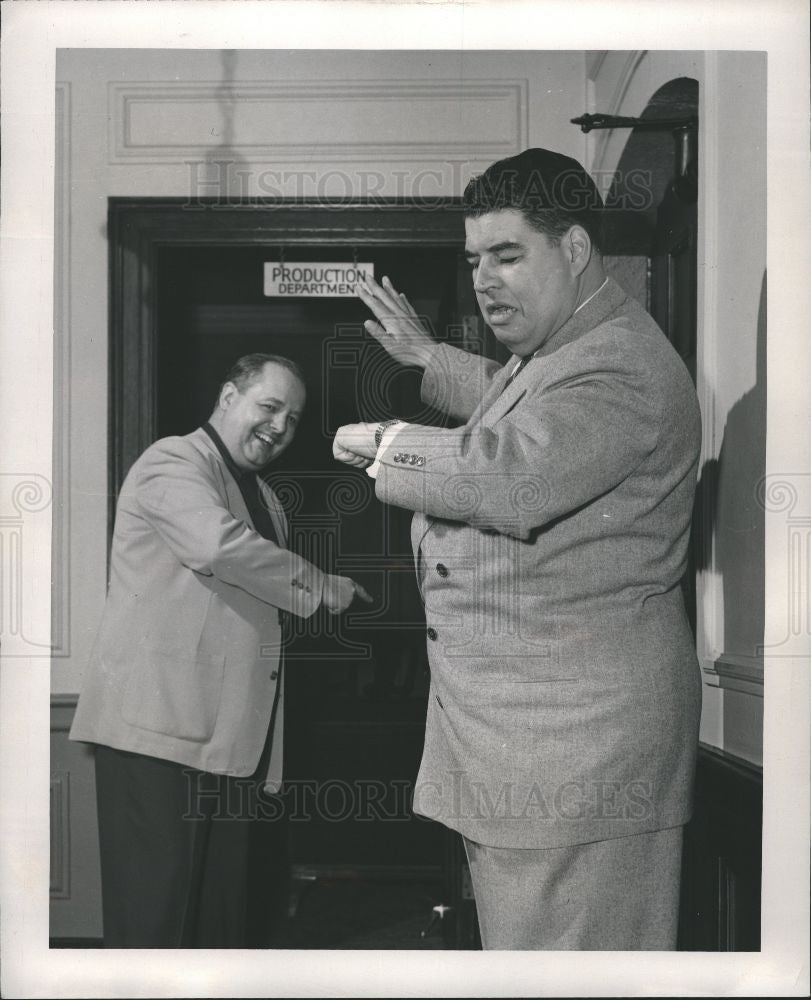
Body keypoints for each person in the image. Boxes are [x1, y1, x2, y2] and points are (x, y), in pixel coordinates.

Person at [333, 148, 702, 950]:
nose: (483, 279)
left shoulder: (621, 367)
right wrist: (430, 358)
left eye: (506, 255)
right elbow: (522, 405)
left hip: (574, 762)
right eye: (473, 260)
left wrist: (388, 444)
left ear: (571, 248)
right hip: (536, 755)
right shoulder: (571, 352)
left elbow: (514, 472)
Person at [70, 353, 372, 948]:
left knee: (216, 928)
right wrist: (322, 585)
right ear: (228, 395)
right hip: (157, 737)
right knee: (153, 930)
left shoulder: (264, 495)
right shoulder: (173, 460)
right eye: (269, 406)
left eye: (293, 418)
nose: (280, 426)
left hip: (230, 744)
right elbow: (215, 546)